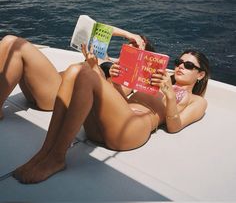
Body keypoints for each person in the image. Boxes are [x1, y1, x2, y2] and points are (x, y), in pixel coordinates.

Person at [12, 43, 210, 184]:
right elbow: (111, 97)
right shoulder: (156, 79)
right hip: (113, 121)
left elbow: (175, 126)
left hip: (134, 129)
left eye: (189, 65)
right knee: (75, 70)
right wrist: (113, 78)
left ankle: (56, 157)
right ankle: (45, 151)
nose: (181, 67)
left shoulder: (197, 101)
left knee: (82, 73)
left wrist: (169, 93)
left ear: (200, 74)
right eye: (179, 62)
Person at [0, 27, 145, 120]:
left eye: (135, 49)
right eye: (130, 44)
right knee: (10, 46)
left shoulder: (126, 78)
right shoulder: (104, 57)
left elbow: (112, 99)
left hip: (57, 94)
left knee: (12, 42)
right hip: (44, 88)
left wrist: (113, 75)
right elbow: (98, 30)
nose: (131, 47)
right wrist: (129, 34)